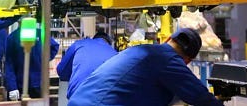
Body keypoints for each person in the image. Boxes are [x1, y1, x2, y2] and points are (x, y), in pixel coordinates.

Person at [68, 28, 224, 106]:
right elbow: (200, 97)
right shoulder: (168, 60)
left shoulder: (140, 51)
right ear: (189, 60)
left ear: (169, 38)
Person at [4, 24, 60, 99]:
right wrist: (12, 87)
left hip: (37, 83)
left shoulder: (40, 33)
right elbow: (9, 65)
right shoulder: (13, 37)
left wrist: (44, 59)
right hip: (21, 84)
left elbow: (54, 46)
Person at [57, 31, 117, 99]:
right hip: (105, 100)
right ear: (109, 44)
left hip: (78, 97)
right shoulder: (115, 54)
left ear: (94, 39)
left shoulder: (80, 44)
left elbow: (61, 70)